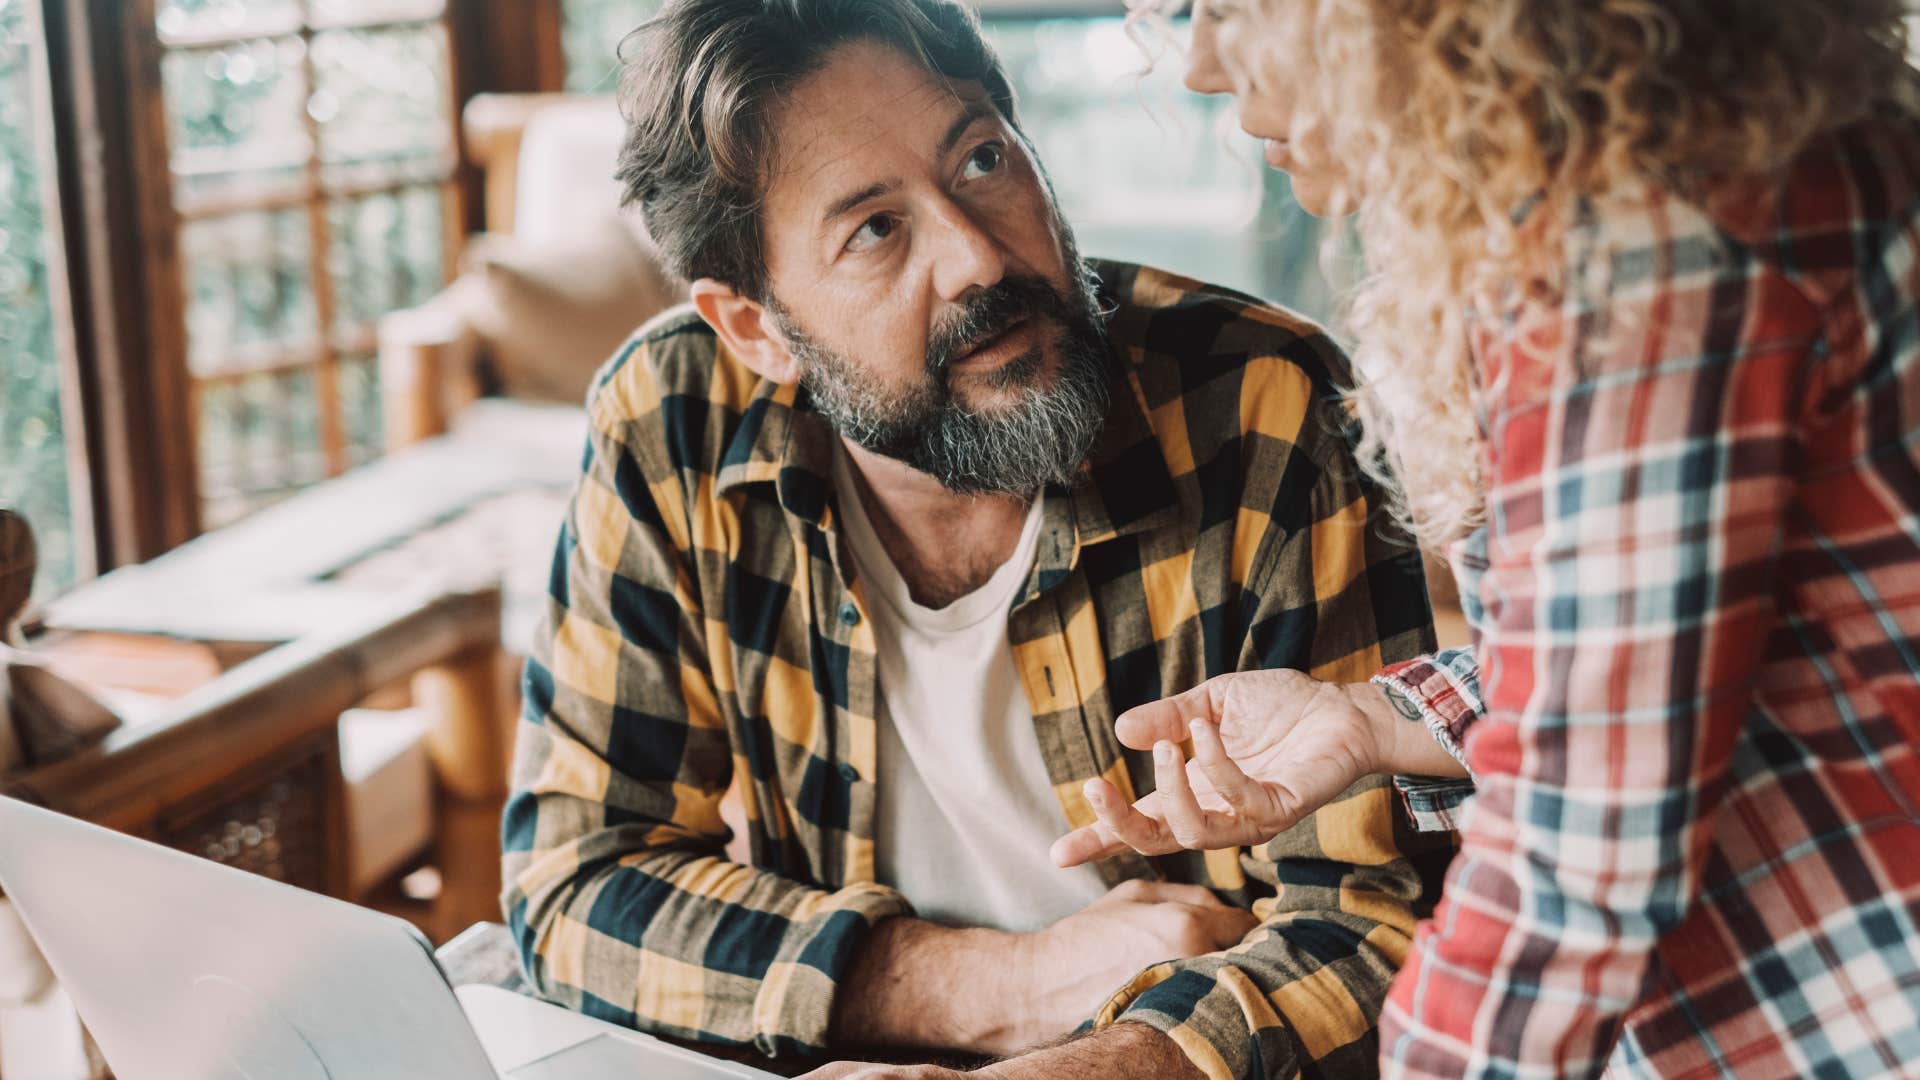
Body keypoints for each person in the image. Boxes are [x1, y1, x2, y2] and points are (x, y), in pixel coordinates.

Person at [501, 0, 1453, 1077]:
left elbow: (1372, 924)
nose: (977, 258)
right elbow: (575, 881)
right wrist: (999, 988)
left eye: (984, 159)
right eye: (875, 228)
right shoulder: (670, 415)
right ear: (758, 331)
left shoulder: (1262, 400)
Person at [1054, 2, 1920, 1077]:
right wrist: (1371, 717)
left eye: (1232, 7)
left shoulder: (1646, 252)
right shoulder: (1708, 175)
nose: (1201, 66)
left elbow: (1579, 856)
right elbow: (1696, 669)